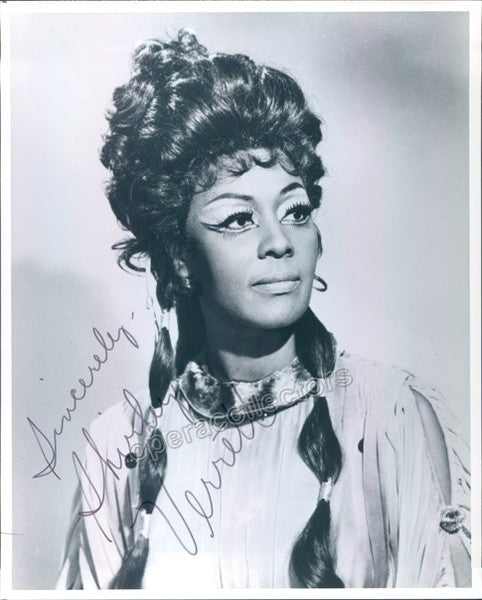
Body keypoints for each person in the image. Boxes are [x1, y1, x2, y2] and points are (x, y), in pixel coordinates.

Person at [56, 30, 471, 589]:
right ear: (179, 258)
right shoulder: (118, 448)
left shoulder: (388, 417)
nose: (280, 242)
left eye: (295, 211)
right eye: (238, 219)